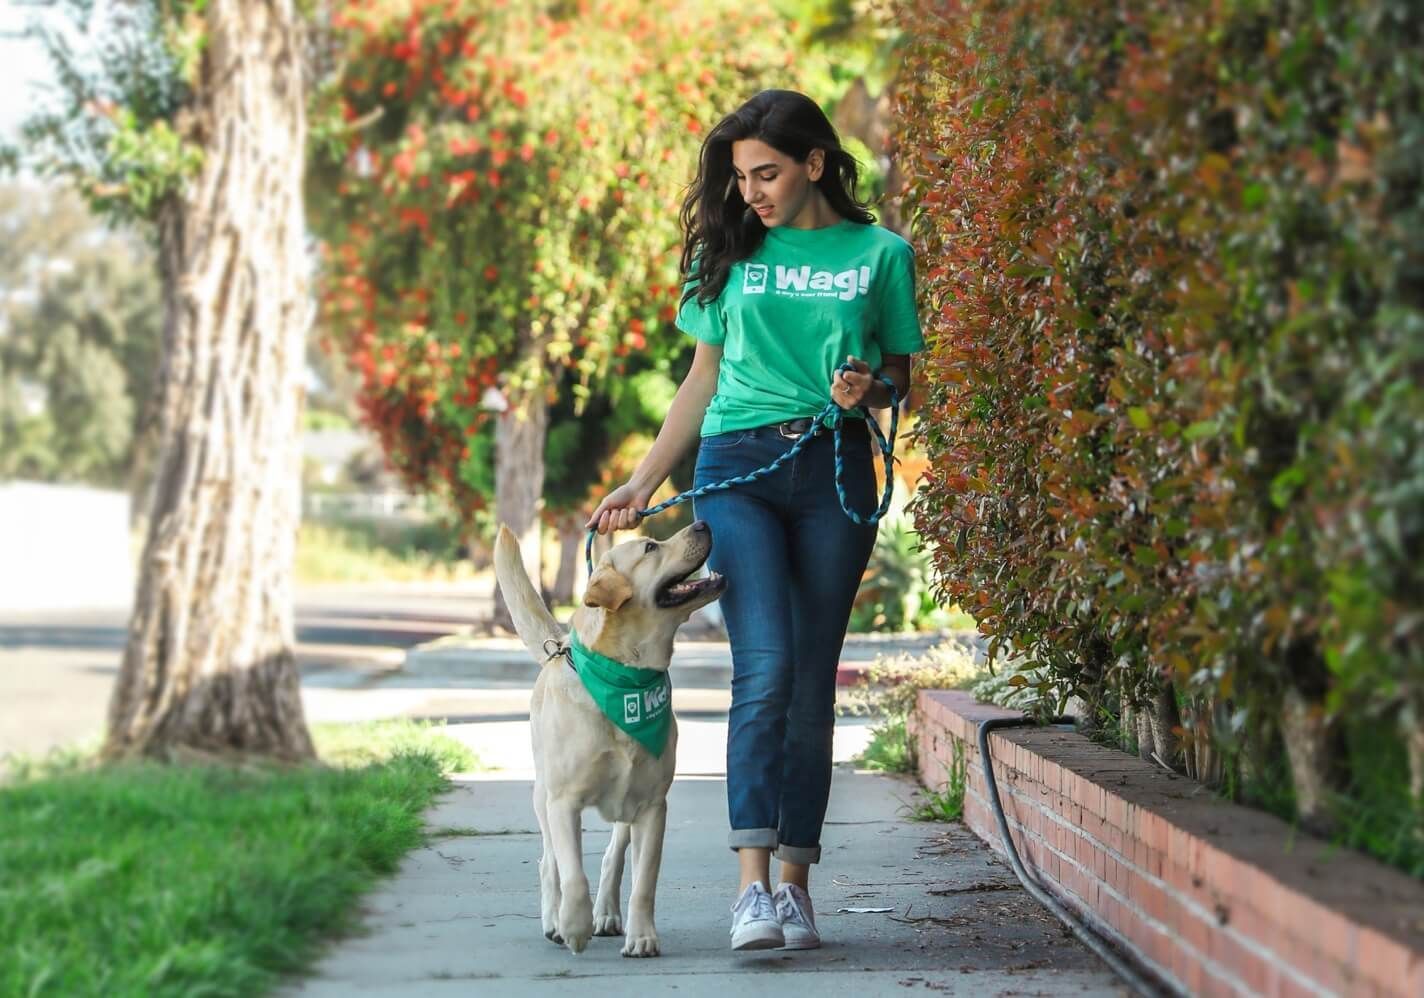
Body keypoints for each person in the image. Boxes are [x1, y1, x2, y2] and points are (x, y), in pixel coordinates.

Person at [586, 89, 924, 952]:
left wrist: (867, 391)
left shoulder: (882, 254)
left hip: (836, 467)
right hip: (739, 468)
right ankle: (750, 892)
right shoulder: (733, 252)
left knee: (812, 680)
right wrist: (640, 482)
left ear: (816, 163)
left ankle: (797, 888)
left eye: (767, 173)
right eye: (740, 178)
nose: (752, 193)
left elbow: (900, 379)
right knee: (765, 666)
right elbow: (700, 380)